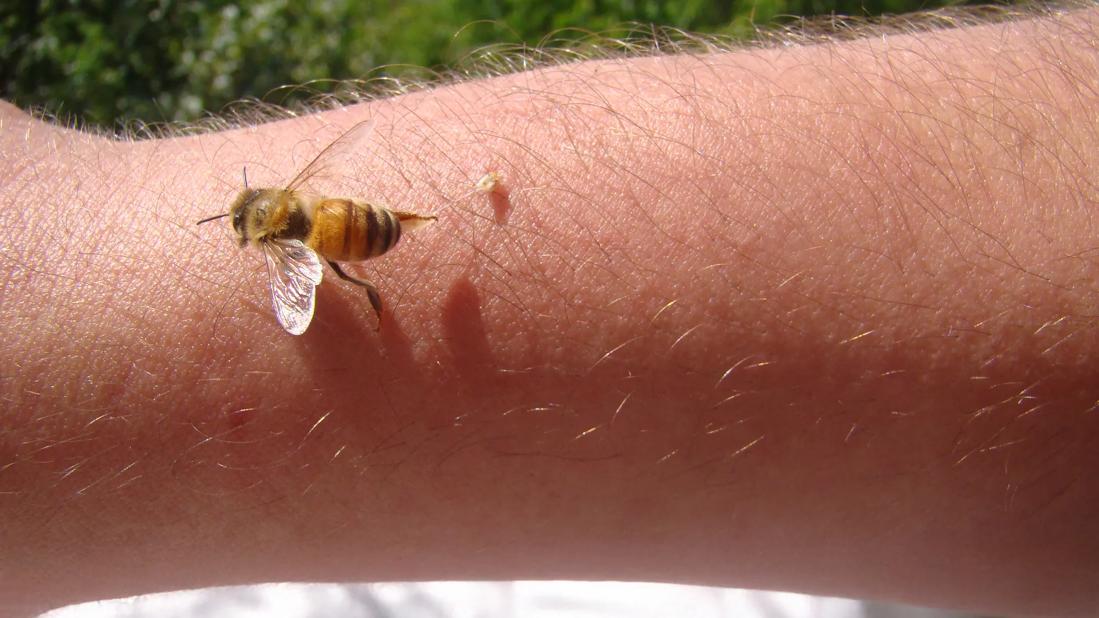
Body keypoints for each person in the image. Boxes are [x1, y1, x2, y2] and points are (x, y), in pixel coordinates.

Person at [2, 6, 1098, 616]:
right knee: (359, 233)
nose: (259, 233)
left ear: (260, 227)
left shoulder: (286, 252)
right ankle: (397, 245)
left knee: (354, 254)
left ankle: (391, 256)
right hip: (363, 218)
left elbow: (298, 288)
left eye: (252, 227)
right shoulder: (304, 204)